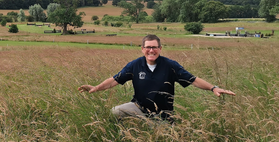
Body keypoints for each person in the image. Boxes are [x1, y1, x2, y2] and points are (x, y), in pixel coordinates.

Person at [78, 35, 236, 122]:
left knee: (159, 139)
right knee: (114, 113)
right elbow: (115, 80)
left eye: (154, 47)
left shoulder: (170, 65)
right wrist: (96, 88)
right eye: (148, 47)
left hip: (162, 115)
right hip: (138, 108)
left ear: (160, 48)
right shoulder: (134, 65)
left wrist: (213, 88)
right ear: (142, 49)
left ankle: (157, 127)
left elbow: (192, 79)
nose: (151, 50)